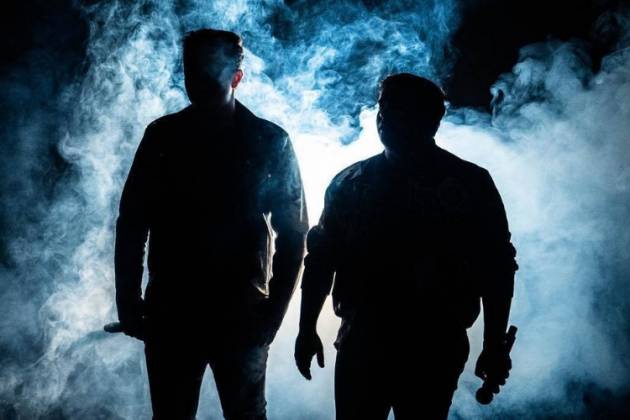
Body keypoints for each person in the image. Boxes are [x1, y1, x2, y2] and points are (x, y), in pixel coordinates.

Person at [295, 73, 517, 419]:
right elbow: (321, 259)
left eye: (400, 110)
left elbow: (496, 268)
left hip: (434, 344)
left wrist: (493, 344)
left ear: (431, 121)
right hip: (362, 340)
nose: (385, 118)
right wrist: (306, 327)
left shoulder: (469, 184)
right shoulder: (350, 183)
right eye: (384, 107)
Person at [114, 29, 308, 420]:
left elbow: (294, 235)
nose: (197, 81)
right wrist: (129, 302)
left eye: (208, 71)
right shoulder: (162, 136)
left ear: (237, 77)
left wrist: (271, 316)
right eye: (191, 72)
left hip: (239, 315)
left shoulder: (268, 140)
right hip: (175, 312)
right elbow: (132, 223)